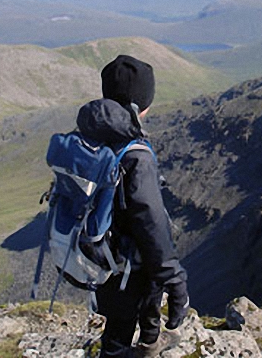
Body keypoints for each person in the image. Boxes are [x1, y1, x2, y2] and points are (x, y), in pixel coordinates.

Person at [75, 55, 189, 357]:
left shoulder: (89, 136)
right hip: (130, 261)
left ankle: (141, 345)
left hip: (102, 254)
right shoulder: (136, 155)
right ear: (141, 103)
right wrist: (175, 279)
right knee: (130, 316)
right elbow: (150, 221)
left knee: (119, 319)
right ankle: (142, 348)